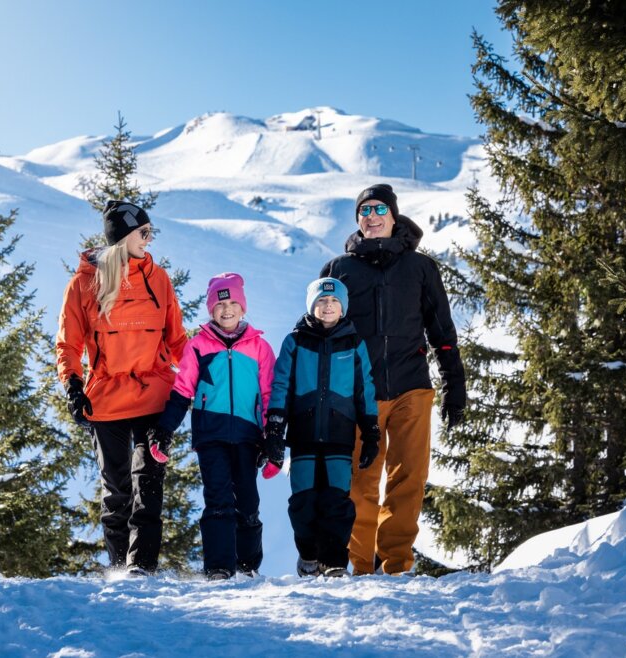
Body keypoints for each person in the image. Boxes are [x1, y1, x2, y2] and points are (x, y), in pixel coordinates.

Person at [320, 183, 466, 576]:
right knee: (359, 483)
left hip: (411, 388)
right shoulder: (339, 269)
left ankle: (396, 564)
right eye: (363, 211)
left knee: (409, 478)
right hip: (356, 394)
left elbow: (442, 331)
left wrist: (455, 384)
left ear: (393, 215)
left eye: (378, 209)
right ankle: (360, 566)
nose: (370, 217)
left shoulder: (420, 268)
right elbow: (319, 333)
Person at [55, 200, 187, 576]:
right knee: (116, 489)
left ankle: (140, 568)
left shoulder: (158, 279)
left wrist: (202, 374)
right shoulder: (83, 284)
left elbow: (177, 340)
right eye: (143, 233)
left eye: (150, 233)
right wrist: (73, 385)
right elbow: (68, 344)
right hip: (107, 399)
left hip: (155, 396)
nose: (149, 240)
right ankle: (118, 568)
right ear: (123, 236)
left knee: (148, 484)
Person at [150, 273, 276, 580]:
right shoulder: (197, 347)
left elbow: (270, 394)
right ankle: (219, 567)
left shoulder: (259, 348)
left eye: (233, 302)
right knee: (217, 499)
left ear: (243, 307)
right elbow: (182, 391)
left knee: (247, 501)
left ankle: (247, 567)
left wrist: (272, 437)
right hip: (211, 436)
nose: (227, 309)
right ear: (211, 310)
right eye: (220, 304)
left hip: (248, 436)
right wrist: (165, 430)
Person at [264, 277, 379, 577]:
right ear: (311, 305)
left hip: (340, 436)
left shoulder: (354, 343)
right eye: (321, 301)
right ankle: (308, 554)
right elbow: (281, 385)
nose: (327, 306)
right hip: (302, 434)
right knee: (303, 501)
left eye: (334, 302)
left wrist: (371, 433)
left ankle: (334, 561)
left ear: (343, 307)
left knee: (337, 501)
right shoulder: (295, 341)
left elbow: (364, 388)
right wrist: (275, 427)